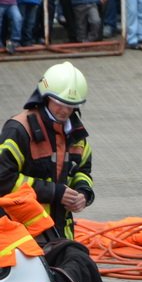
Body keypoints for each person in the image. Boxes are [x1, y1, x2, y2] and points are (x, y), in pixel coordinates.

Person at [0, 62, 93, 240]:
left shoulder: (76, 134)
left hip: (60, 234)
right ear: (46, 97)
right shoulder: (20, 130)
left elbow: (83, 171)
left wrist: (83, 192)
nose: (65, 110)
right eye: (60, 103)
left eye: (71, 105)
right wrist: (54, 192)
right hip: (21, 234)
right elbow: (4, 179)